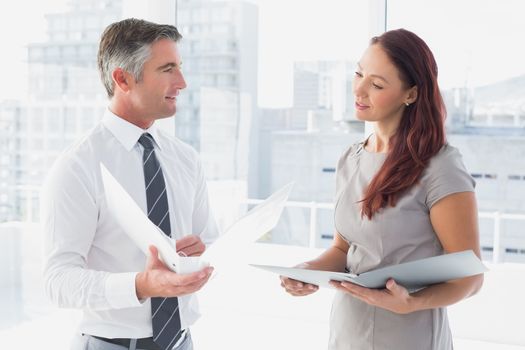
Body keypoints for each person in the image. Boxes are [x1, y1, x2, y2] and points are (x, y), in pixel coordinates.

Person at [280, 28, 484, 349]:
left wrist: (412, 303)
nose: (359, 90)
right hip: (348, 331)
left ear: (411, 94)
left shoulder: (439, 166)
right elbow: (344, 250)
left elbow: (470, 278)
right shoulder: (351, 158)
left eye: (376, 84)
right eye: (358, 74)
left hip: (409, 335)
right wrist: (307, 271)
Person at [42, 18, 217, 350]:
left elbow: (208, 240)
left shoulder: (186, 158)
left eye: (179, 67)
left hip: (182, 343)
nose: (182, 82)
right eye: (167, 69)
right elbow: (58, 281)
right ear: (122, 78)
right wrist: (141, 285)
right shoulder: (78, 166)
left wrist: (199, 256)